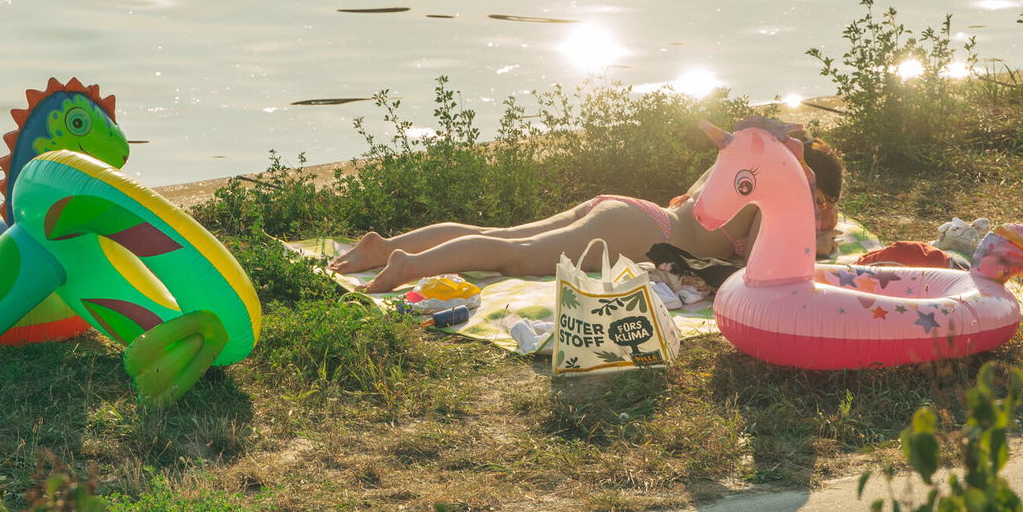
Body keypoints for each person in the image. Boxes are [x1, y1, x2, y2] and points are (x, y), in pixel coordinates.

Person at [329, 128, 845, 293]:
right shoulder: (773, 196)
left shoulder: (737, 171)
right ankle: (408, 267)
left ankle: (390, 244)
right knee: (517, 255)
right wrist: (815, 242)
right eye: (822, 206)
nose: (820, 215)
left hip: (628, 209)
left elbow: (687, 208)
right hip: (634, 230)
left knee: (499, 232)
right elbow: (762, 269)